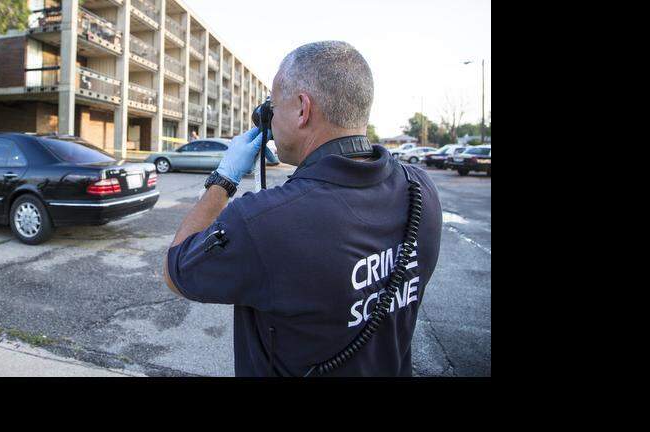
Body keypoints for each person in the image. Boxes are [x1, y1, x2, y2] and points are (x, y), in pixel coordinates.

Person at [162, 41, 442, 377]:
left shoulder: (266, 222)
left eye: (274, 106)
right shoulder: (420, 189)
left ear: (302, 109)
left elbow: (176, 271)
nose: (271, 118)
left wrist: (223, 179)